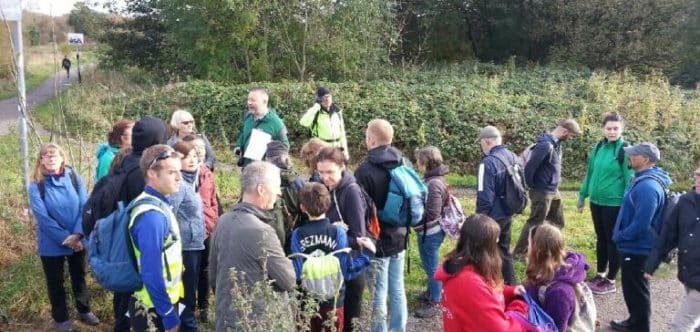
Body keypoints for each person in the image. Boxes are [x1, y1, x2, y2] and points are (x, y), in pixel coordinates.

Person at [209, 161, 296, 331]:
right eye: (277, 186)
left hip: (227, 319)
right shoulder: (262, 231)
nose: (279, 193)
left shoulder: (223, 221)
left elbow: (213, 275)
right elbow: (288, 280)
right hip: (259, 322)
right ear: (262, 189)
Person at [29, 143, 100, 332]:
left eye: (54, 155)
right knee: (55, 281)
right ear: (41, 160)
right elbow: (43, 217)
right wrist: (65, 238)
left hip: (77, 240)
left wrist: (77, 235)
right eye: (46, 155)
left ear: (62, 158)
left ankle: (84, 310)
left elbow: (85, 206)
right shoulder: (36, 185)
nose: (50, 158)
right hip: (51, 243)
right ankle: (60, 319)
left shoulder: (74, 177)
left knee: (79, 277)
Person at [290, 182, 376, 332]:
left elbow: (296, 272)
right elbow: (347, 271)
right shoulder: (338, 233)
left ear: (303, 208)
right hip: (334, 303)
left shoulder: (297, 234)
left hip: (307, 303)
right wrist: (368, 254)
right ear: (328, 205)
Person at [112, 116, 168, 331]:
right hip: (136, 246)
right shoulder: (141, 172)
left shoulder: (128, 160)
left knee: (124, 298)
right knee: (132, 303)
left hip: (124, 242)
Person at [610, 142, 672, 332]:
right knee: (632, 288)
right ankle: (634, 321)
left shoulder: (648, 187)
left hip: (637, 247)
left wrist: (620, 236)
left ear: (645, 159)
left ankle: (640, 327)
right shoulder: (641, 179)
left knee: (637, 289)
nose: (630, 156)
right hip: (634, 245)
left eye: (633, 154)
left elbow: (641, 224)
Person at [354, 119, 408, 332]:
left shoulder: (364, 170)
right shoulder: (404, 162)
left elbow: (360, 211)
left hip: (377, 241)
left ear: (371, 139)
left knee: (378, 292)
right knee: (397, 288)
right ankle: (398, 329)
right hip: (401, 236)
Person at [434, 213, 529, 332]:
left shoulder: (459, 266)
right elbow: (501, 330)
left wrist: (509, 291)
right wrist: (520, 306)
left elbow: (483, 291)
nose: (498, 243)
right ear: (485, 247)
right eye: (495, 241)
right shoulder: (470, 284)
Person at [127, 144, 184, 332]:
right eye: (172, 172)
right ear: (152, 173)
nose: (179, 178)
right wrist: (167, 314)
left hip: (158, 302)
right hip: (153, 308)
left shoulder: (159, 204)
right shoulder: (151, 216)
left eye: (179, 171)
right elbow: (151, 270)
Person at [577, 112, 634, 295]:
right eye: (609, 128)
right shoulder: (599, 147)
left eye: (615, 128)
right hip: (596, 202)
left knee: (612, 241)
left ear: (621, 129)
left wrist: (628, 205)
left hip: (614, 204)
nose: (612, 132)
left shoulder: (625, 150)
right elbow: (590, 173)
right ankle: (600, 274)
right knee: (601, 239)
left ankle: (610, 280)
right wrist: (581, 196)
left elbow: (629, 180)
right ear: (603, 129)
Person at [315, 146, 368, 331]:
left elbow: (359, 237)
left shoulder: (351, 191)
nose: (324, 177)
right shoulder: (326, 186)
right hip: (333, 266)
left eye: (330, 172)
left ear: (342, 167)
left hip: (351, 269)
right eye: (320, 172)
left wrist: (332, 234)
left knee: (349, 323)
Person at [513, 118, 581, 256]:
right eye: (571, 135)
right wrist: (532, 187)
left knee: (557, 220)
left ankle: (551, 248)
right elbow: (530, 168)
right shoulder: (545, 145)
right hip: (542, 191)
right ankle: (520, 253)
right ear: (564, 131)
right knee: (535, 222)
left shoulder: (557, 144)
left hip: (553, 190)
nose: (571, 138)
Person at [645, 163, 700, 332]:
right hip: (689, 272)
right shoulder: (686, 201)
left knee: (680, 325)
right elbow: (668, 234)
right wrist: (651, 265)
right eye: (697, 175)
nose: (698, 180)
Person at [524, 223, 591, 332]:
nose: (527, 248)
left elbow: (555, 329)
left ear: (538, 250)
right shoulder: (544, 273)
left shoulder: (559, 293)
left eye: (529, 244)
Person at [476, 125, 520, 285]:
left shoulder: (487, 163)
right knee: (504, 249)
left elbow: (484, 196)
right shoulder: (513, 156)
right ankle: (512, 285)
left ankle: (487, 287)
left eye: (481, 143)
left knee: (484, 253)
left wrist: (479, 219)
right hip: (508, 212)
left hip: (491, 216)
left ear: (487, 142)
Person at [181, 134, 218, 322]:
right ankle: (188, 310)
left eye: (202, 149)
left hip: (207, 230)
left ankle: (203, 307)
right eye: (195, 149)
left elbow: (213, 200)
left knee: (206, 269)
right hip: (188, 235)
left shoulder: (206, 173)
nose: (200, 152)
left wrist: (212, 222)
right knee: (189, 273)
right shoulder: (180, 179)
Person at [169, 141, 205, 332]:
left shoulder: (192, 180)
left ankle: (187, 322)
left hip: (196, 243)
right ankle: (187, 326)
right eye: (186, 157)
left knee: (191, 290)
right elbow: (169, 213)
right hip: (185, 246)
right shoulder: (179, 184)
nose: (192, 160)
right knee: (186, 293)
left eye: (194, 155)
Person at [412, 146, 448, 318]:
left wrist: (415, 217)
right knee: (428, 264)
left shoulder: (433, 183)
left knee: (432, 267)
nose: (417, 164)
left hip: (431, 232)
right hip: (429, 231)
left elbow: (433, 213)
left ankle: (436, 301)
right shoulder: (435, 178)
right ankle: (431, 293)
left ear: (426, 163)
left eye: (419, 161)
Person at [234, 88, 290, 167]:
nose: (249, 103)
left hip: (264, 171)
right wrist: (238, 146)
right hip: (246, 166)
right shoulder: (248, 117)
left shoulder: (276, 123)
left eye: (253, 100)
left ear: (264, 102)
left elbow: (285, 147)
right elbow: (243, 134)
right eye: (248, 100)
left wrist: (269, 147)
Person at [299, 87, 349, 160]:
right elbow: (303, 122)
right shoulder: (316, 113)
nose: (327, 100)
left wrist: (345, 153)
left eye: (328, 96)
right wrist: (316, 107)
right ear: (319, 100)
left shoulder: (337, 112)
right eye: (324, 98)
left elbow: (342, 134)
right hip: (321, 150)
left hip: (337, 149)